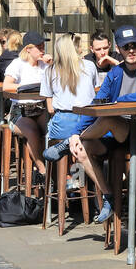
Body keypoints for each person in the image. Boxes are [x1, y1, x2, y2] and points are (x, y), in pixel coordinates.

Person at [70, 24, 136, 224]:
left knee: (109, 118)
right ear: (119, 49)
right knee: (81, 149)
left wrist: (123, 100)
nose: (131, 50)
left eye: (134, 46)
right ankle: (109, 196)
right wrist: (76, 133)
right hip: (115, 135)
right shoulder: (115, 73)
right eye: (126, 46)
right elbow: (99, 102)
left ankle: (68, 143)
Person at [40, 33, 99, 189]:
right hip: (89, 124)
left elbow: (50, 108)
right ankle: (77, 182)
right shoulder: (90, 66)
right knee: (80, 142)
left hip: (64, 123)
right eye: (79, 46)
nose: (81, 49)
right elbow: (94, 91)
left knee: (60, 135)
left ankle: (61, 184)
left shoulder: (50, 71)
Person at [2, 31, 52, 185]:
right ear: (28, 49)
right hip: (20, 110)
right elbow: (6, 86)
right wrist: (24, 87)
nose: (42, 50)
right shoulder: (18, 64)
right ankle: (42, 169)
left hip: (40, 108)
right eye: (39, 47)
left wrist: (53, 65)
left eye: (43, 46)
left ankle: (57, 170)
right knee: (32, 131)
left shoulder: (45, 65)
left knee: (53, 130)